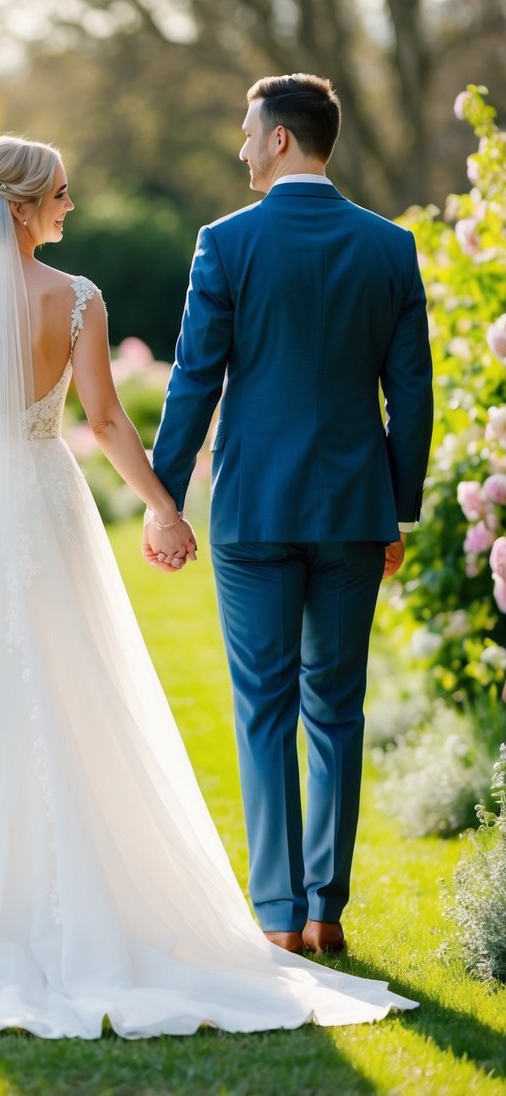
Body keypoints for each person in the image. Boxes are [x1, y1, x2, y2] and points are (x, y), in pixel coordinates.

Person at [0, 134, 417, 1038]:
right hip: (47, 509)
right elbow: (101, 419)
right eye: (58, 194)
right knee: (69, 684)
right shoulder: (76, 299)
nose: (69, 206)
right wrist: (163, 509)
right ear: (21, 207)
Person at [147, 75, 434, 956]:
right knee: (335, 708)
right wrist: (398, 509)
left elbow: (195, 378)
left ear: (279, 140)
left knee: (263, 706)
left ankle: (275, 918)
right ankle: (326, 911)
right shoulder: (389, 246)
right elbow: (411, 392)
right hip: (353, 508)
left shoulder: (224, 244)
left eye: (245, 133)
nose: (239, 148)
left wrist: (164, 500)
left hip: (254, 509)